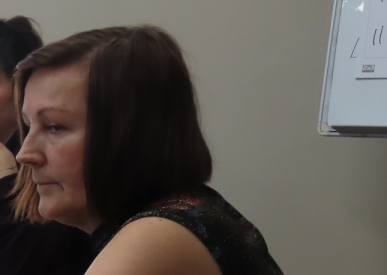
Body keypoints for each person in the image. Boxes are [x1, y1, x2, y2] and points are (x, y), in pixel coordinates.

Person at [12, 25, 284, 275]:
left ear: (132, 135)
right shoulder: (182, 214)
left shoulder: (158, 235)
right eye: (28, 125)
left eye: (54, 127)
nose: (25, 154)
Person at [0, 17, 92, 274]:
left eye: (54, 127)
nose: (29, 154)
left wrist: (5, 182)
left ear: (21, 88)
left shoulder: (53, 165)